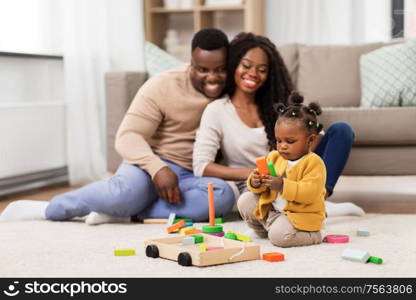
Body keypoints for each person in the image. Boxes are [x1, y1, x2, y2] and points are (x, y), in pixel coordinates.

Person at [0, 28, 236, 224]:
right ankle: (49, 209)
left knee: (221, 197)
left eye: (220, 70)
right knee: (127, 193)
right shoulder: (163, 85)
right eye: (203, 69)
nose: (212, 77)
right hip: (150, 164)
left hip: (191, 176)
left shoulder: (237, 87)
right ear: (191, 63)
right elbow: (128, 135)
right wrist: (157, 169)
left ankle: (121, 213)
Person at [192, 32, 364, 217]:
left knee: (341, 130)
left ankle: (318, 199)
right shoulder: (217, 110)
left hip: (293, 174)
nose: (253, 74)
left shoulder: (278, 105)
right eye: (246, 65)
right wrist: (257, 173)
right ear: (234, 65)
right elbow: (202, 166)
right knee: (259, 207)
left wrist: (302, 150)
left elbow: (312, 139)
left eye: (262, 69)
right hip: (257, 183)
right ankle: (304, 208)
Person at [239, 94, 325, 247]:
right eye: (279, 140)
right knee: (245, 200)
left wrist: (282, 185)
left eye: (290, 141)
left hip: (299, 216)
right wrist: (255, 182)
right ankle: (262, 231)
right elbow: (261, 189)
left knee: (280, 237)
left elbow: (310, 193)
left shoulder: (314, 163)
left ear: (310, 140)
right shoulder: (274, 157)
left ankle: (313, 236)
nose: (282, 146)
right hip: (274, 210)